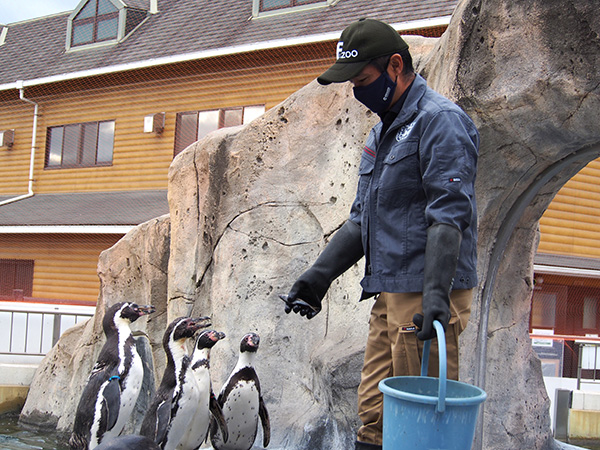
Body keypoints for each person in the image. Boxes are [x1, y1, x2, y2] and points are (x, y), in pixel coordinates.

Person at [280, 18, 479, 450]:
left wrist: (436, 297)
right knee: (373, 415)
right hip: (390, 293)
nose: (356, 90)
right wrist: (319, 276)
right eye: (350, 82)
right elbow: (361, 220)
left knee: (421, 419)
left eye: (363, 79)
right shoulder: (381, 131)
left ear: (395, 65)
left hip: (426, 292)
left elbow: (449, 216)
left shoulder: (440, 121)